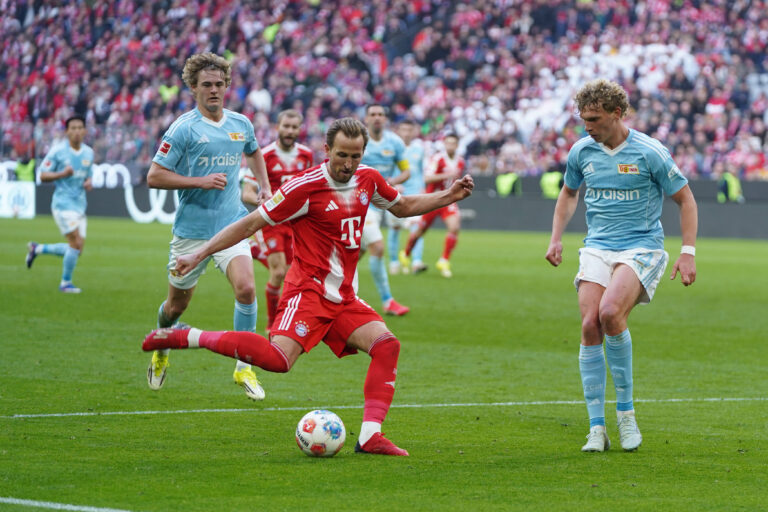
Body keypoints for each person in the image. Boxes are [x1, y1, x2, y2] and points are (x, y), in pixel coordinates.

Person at [142, 117, 475, 456]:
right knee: (277, 361)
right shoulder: (304, 187)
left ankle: (370, 436)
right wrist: (199, 254)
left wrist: (449, 195)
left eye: (355, 156)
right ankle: (185, 336)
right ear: (327, 150)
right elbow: (249, 223)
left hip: (343, 297)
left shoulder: (368, 179)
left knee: (387, 346)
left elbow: (403, 207)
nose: (348, 164)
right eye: (342, 155)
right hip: (308, 294)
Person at [545, 79, 698, 453]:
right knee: (588, 324)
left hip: (641, 248)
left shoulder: (650, 152)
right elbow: (568, 192)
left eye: (594, 119)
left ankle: (626, 415)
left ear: (618, 113)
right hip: (597, 247)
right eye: (583, 119)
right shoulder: (582, 151)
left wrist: (688, 251)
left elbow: (686, 200)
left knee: (611, 313)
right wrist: (556, 237)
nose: (587, 126)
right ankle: (596, 428)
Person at [145, 52, 272, 401]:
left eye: (219, 84)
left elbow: (254, 150)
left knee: (246, 288)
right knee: (176, 307)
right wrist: (198, 181)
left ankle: (244, 366)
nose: (214, 90)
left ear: (227, 86)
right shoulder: (183, 128)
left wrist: (264, 186)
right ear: (193, 88)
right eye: (206, 85)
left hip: (231, 224)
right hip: (192, 231)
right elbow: (154, 176)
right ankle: (162, 344)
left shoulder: (240, 123)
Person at [242, 109, 313, 333]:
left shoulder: (306, 155)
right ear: (277, 127)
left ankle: (255, 250)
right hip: (270, 222)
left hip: (295, 224)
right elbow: (246, 193)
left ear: (299, 129)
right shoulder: (264, 155)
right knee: (279, 273)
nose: (290, 131)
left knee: (294, 272)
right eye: (286, 126)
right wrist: (266, 202)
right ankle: (273, 324)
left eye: (294, 127)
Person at [26, 116, 93, 293]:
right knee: (75, 243)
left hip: (80, 205)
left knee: (77, 249)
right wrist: (62, 173)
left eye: (80, 128)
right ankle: (65, 283)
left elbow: (88, 176)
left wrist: (88, 182)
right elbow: (42, 175)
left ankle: (37, 248)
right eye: (73, 128)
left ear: (85, 131)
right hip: (62, 204)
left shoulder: (88, 153)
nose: (77, 131)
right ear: (67, 131)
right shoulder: (57, 152)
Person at [360, 104, 411, 315]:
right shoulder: (360, 140)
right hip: (360, 204)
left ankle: (329, 286)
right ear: (366, 119)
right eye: (373, 114)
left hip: (381, 204)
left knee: (356, 252)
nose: (377, 118)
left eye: (381, 114)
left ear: (385, 118)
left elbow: (406, 171)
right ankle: (388, 300)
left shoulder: (395, 142)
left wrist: (392, 182)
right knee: (377, 247)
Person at [400, 133, 465, 278]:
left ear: (457, 145)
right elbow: (427, 178)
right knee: (420, 231)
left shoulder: (460, 161)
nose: (450, 146)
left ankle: (444, 260)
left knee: (454, 227)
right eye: (447, 143)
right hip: (433, 199)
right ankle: (405, 253)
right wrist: (446, 175)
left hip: (448, 199)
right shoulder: (438, 159)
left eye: (453, 143)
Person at [392, 120, 428, 274]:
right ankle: (394, 262)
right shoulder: (393, 148)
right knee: (395, 228)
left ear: (414, 131)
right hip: (397, 193)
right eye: (403, 129)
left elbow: (420, 171)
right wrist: (393, 186)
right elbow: (390, 169)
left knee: (417, 227)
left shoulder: (419, 149)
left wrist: (422, 188)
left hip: (415, 193)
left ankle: (416, 261)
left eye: (409, 130)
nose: (406, 133)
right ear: (399, 131)